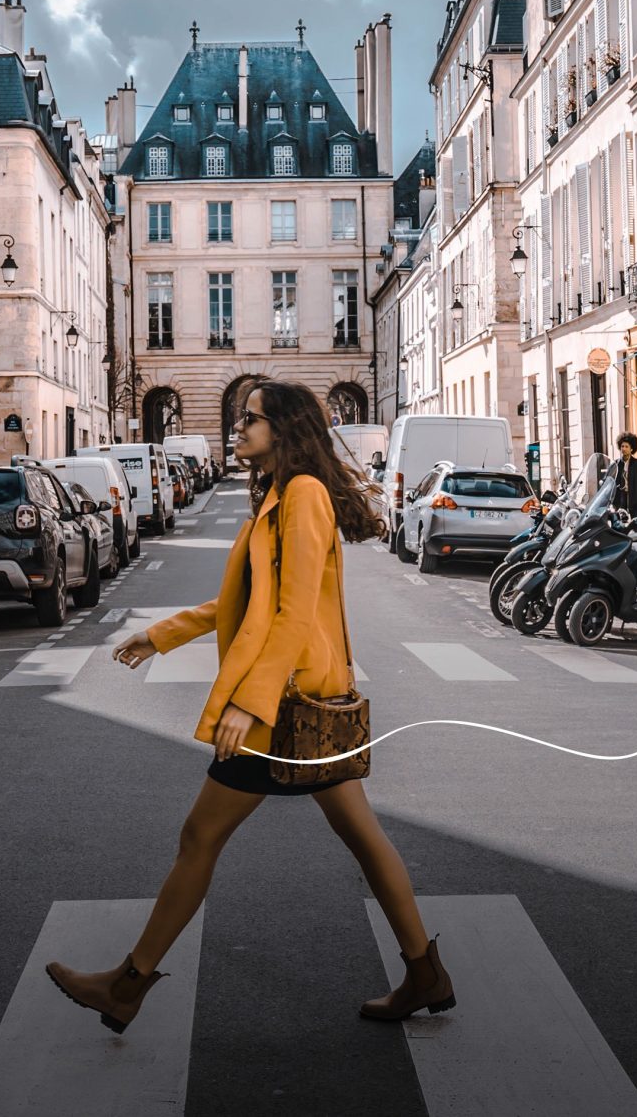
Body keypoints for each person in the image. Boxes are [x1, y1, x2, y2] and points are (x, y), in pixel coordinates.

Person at [44, 380, 454, 1033]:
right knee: (360, 835)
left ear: (283, 430)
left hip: (290, 703)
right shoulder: (277, 495)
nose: (237, 428)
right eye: (239, 418)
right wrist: (163, 633)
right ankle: (425, 972)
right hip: (308, 696)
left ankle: (127, 987)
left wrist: (249, 705)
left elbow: (291, 616)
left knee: (199, 837)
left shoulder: (303, 496)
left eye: (249, 419)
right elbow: (252, 601)